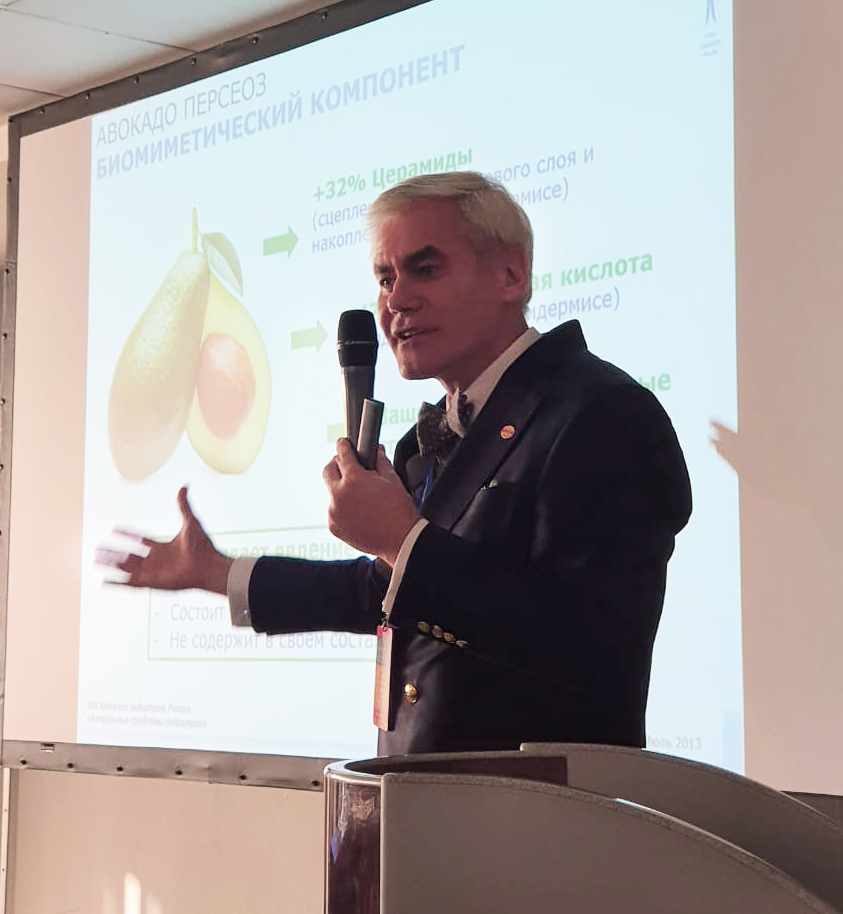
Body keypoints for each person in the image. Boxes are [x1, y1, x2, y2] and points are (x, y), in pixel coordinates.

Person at [104, 171, 692, 755]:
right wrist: (218, 573)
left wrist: (402, 540)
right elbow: (385, 591)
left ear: (511, 275)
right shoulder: (433, 435)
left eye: (425, 269)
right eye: (385, 278)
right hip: (418, 798)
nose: (396, 300)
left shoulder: (601, 413)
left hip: (532, 803)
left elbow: (588, 646)